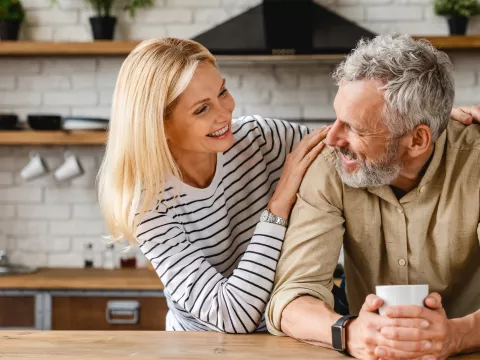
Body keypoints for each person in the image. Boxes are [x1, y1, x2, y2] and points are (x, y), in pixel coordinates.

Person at [97, 36, 473, 334]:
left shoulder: (258, 138)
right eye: (201, 109)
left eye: (223, 92)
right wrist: (278, 206)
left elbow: (358, 142)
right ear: (158, 125)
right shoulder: (147, 206)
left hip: (286, 336)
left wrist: (434, 121)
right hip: (203, 342)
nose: (225, 112)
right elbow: (232, 316)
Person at [266, 34, 480, 359]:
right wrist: (348, 333)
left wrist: (458, 336)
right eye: (336, 117)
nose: (333, 137)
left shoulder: (475, 161)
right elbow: (291, 299)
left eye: (354, 127)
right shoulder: (330, 165)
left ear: (418, 140)